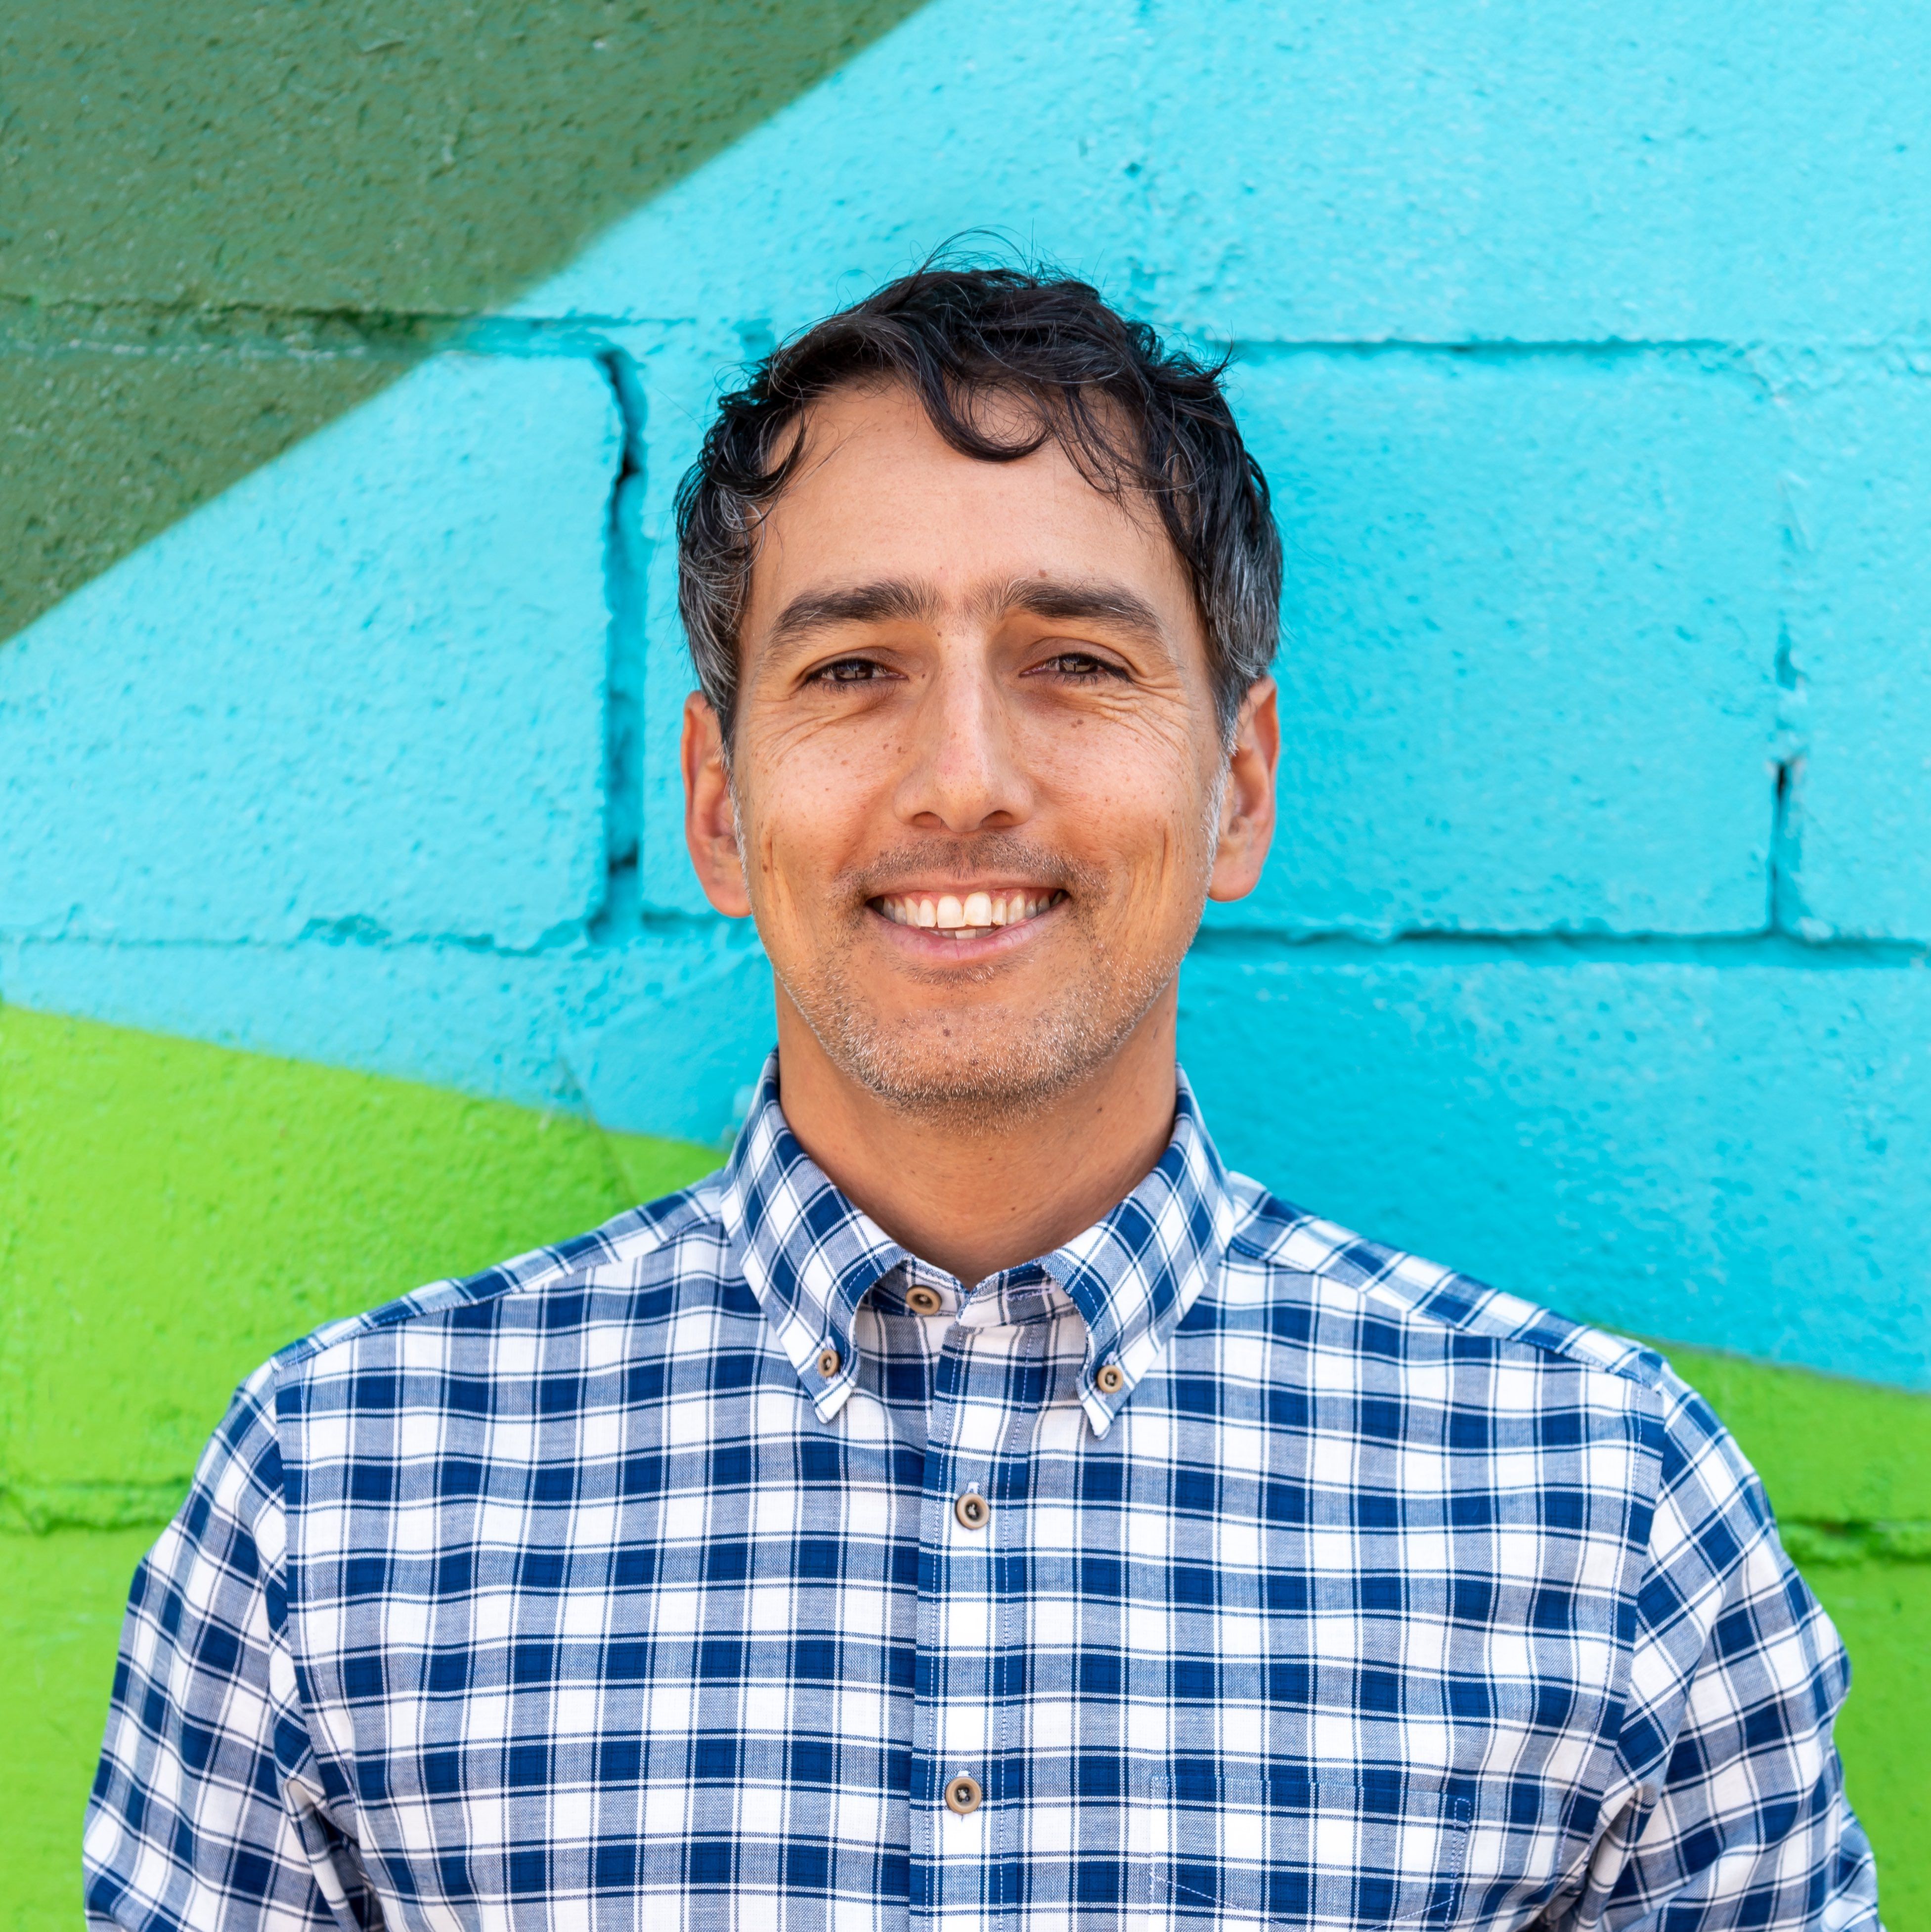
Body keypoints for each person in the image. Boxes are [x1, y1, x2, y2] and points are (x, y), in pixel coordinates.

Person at [85, 264, 1878, 1930]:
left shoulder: (1595, 1516)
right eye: (853, 668)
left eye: (1074, 664)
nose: (962, 777)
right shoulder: (340, 1507)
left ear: (1236, 787)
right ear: (718, 797)